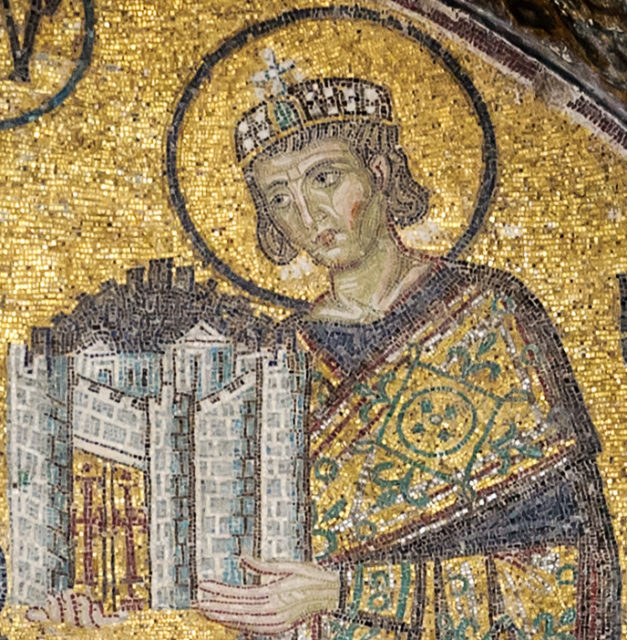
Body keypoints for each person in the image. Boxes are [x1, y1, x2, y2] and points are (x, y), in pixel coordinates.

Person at [194, 73, 621, 638]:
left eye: (325, 178)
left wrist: (341, 592)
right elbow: (247, 565)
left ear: (380, 170)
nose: (307, 213)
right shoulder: (276, 361)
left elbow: (571, 574)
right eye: (279, 198)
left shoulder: (489, 315)